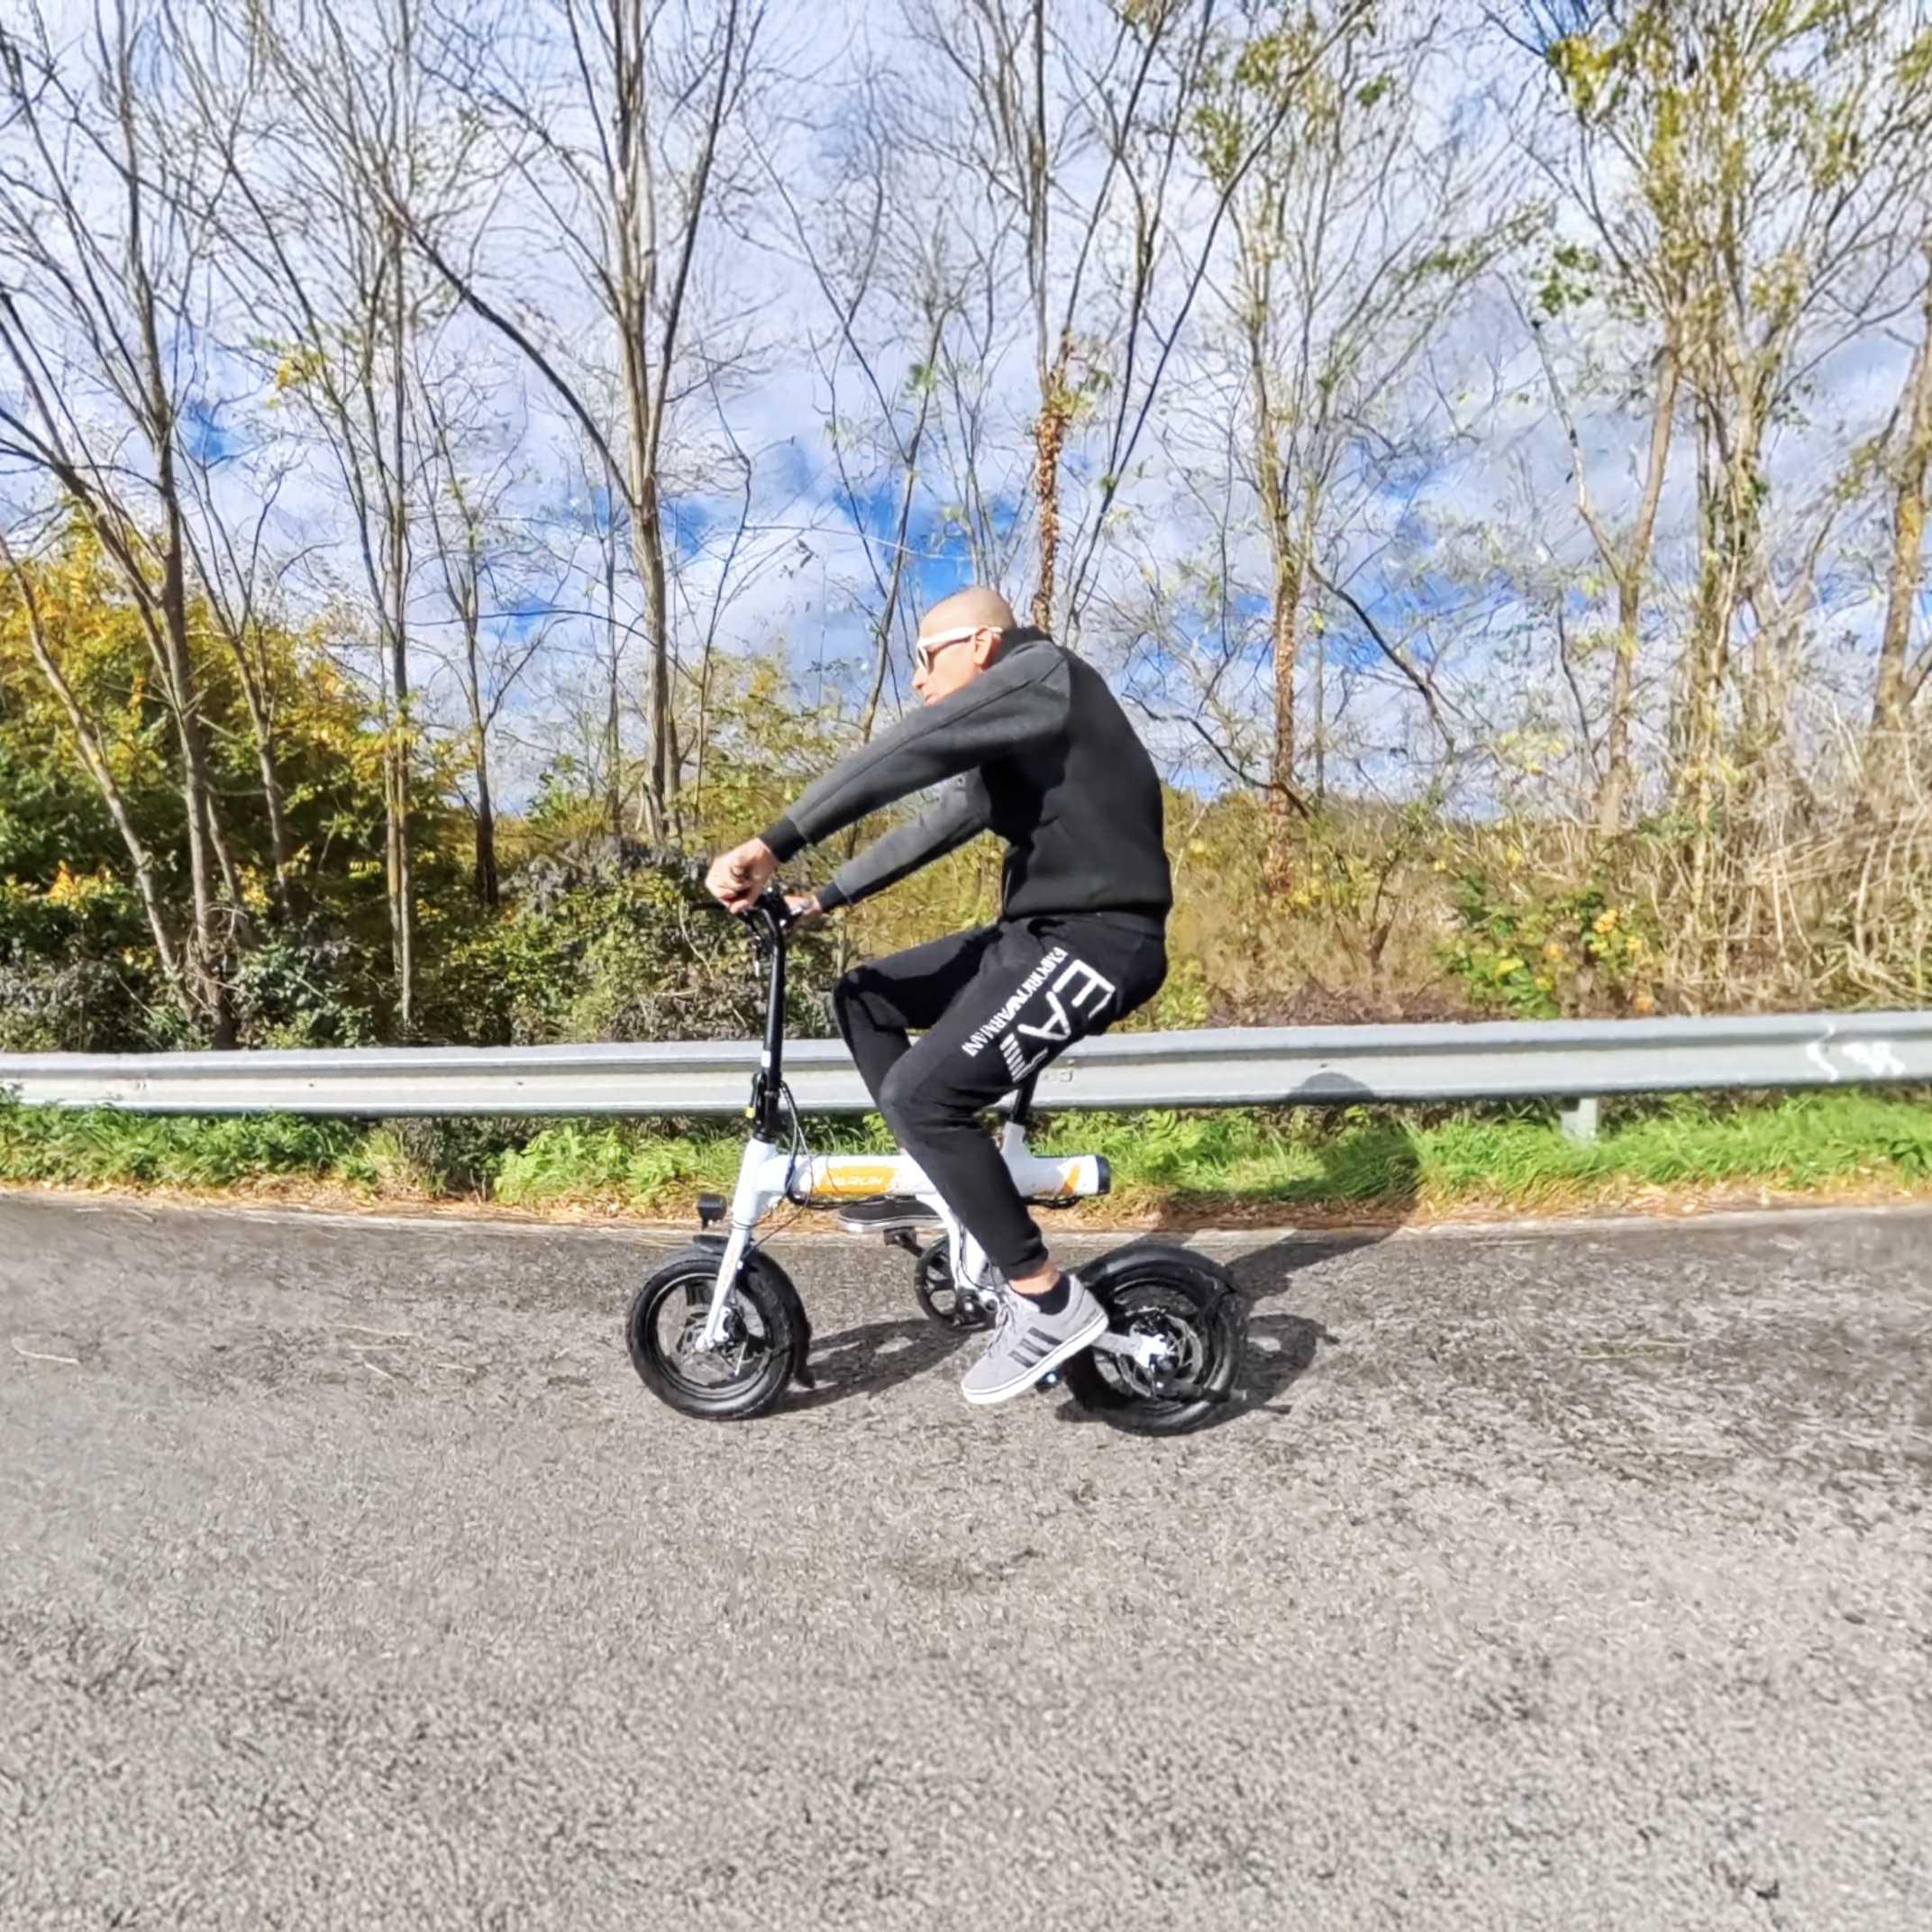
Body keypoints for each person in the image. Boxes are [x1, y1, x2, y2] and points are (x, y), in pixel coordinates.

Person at [706, 587, 1171, 1405]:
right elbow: (942, 820)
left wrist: (772, 845)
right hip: (1037, 936)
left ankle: (1045, 1301)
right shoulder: (1023, 737)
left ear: (983, 645)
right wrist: (825, 899)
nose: (918, 682)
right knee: (865, 996)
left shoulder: (1042, 675)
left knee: (922, 1097)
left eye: (926, 658)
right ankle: (957, 1190)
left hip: (1101, 939)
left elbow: (909, 752)